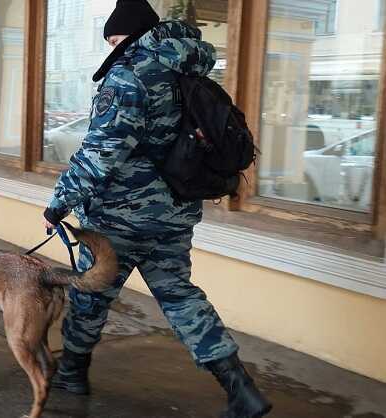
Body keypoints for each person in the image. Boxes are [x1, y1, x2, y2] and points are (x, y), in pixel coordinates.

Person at [42, 1, 272, 417]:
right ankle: (241, 388)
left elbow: (102, 153)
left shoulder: (130, 76)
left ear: (127, 35)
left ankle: (72, 372)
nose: (111, 47)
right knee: (181, 297)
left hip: (119, 217)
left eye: (113, 39)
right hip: (175, 215)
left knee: (92, 290)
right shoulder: (189, 69)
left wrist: (60, 201)